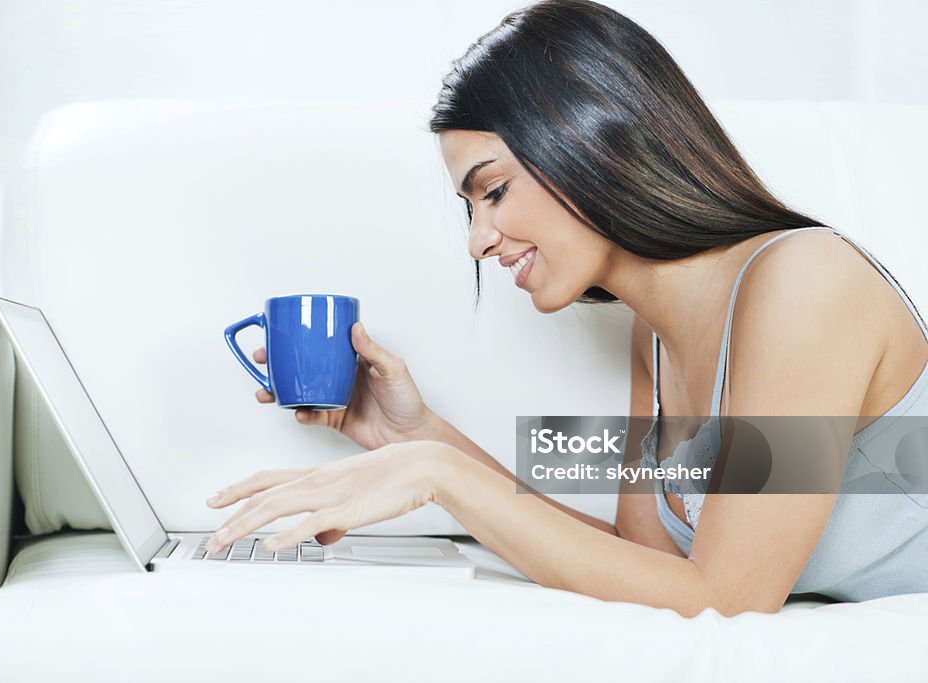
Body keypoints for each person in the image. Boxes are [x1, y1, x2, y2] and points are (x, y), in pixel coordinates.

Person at [203, 0, 928, 616]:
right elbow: (640, 568)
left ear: (592, 140)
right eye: (470, 209)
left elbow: (727, 597)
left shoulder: (806, 283)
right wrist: (415, 439)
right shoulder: (654, 336)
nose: (480, 241)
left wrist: (438, 472)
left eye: (493, 191)